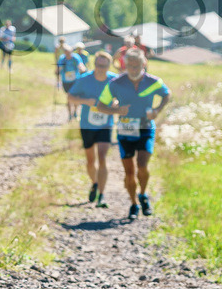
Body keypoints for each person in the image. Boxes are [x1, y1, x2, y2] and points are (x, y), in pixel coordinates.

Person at [96, 49, 170, 219]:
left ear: (143, 64)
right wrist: (116, 110)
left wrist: (157, 110)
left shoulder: (153, 81)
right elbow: (100, 105)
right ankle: (134, 204)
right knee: (129, 172)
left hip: (145, 127)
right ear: (125, 65)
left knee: (142, 165)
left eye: (137, 67)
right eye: (130, 66)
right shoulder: (116, 83)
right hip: (126, 129)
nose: (134, 70)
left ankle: (143, 194)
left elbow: (167, 94)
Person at [67, 51, 118, 207]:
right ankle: (94, 183)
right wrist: (86, 101)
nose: (100, 68)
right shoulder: (84, 79)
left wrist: (115, 105)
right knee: (90, 161)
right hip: (87, 125)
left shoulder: (114, 80)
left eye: (103, 65)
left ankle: (102, 195)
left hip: (105, 124)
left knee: (102, 157)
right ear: (94, 64)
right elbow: (70, 97)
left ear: (109, 66)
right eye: (97, 65)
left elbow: (121, 98)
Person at [56, 45, 86, 120]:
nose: (68, 54)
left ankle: (75, 112)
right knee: (69, 98)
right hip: (66, 81)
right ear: (64, 52)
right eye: (66, 52)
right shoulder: (62, 59)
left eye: (69, 52)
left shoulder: (75, 57)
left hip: (75, 80)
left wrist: (82, 69)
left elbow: (80, 65)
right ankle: (69, 114)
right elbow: (59, 68)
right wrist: (57, 72)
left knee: (76, 97)